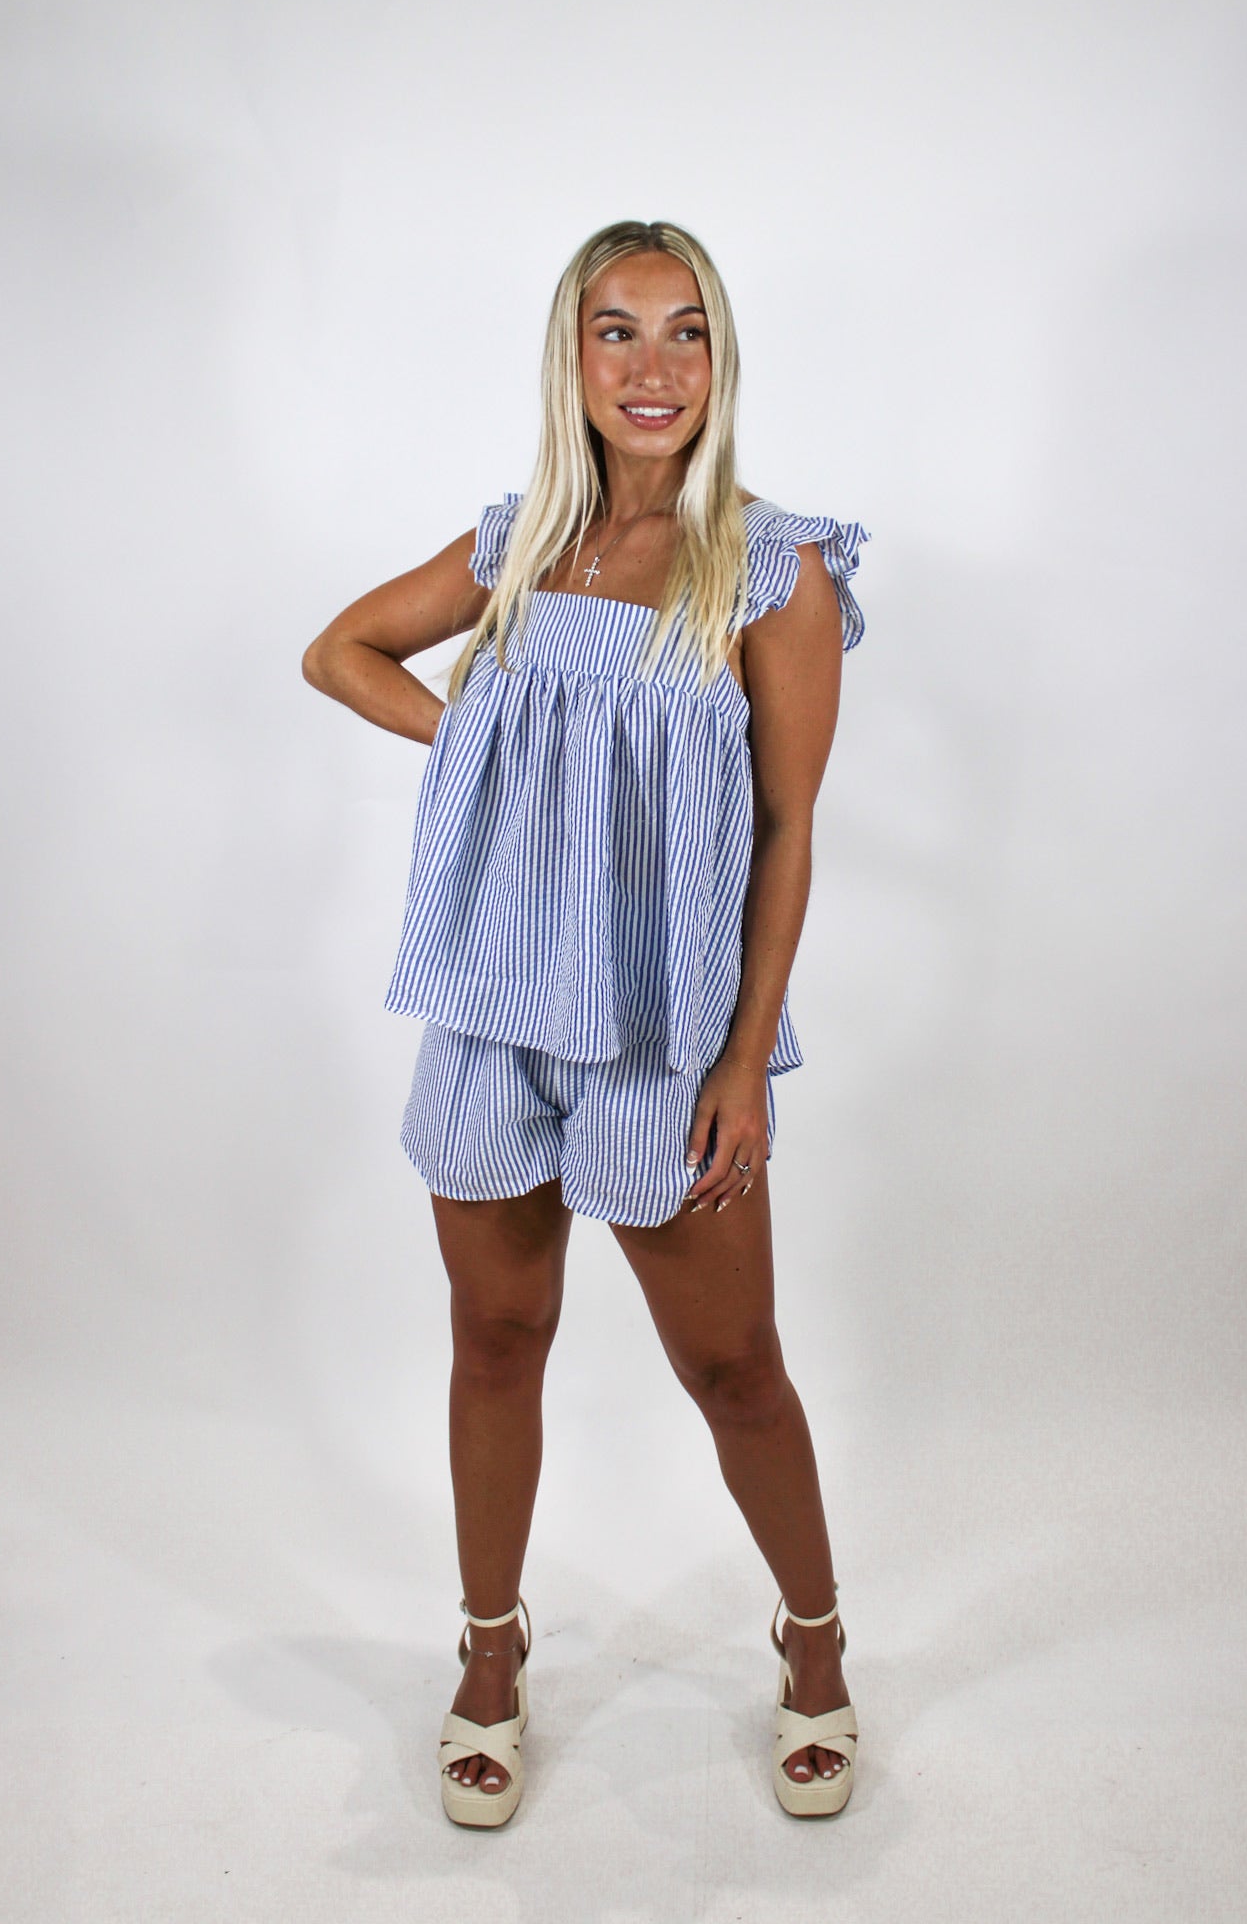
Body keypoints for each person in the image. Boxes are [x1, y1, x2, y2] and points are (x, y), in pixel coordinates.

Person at [302, 218, 870, 1828]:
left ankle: (815, 1643)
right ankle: (489, 1653)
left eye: (685, 331)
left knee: (733, 1366)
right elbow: (337, 651)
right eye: (616, 330)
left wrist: (744, 1061)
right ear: (571, 357)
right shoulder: (516, 544)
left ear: (720, 361)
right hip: (490, 1012)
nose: (652, 365)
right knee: (493, 1341)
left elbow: (787, 828)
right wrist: (485, 743)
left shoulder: (771, 568)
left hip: (664, 1039)